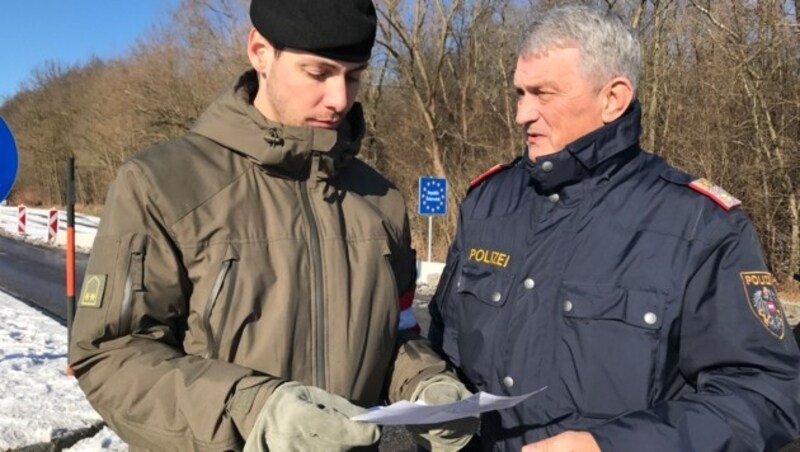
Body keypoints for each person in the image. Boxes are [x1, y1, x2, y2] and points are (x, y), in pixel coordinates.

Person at [68, 0, 477, 450]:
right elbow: (110, 354)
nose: (340, 98)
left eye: (355, 75)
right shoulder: (161, 184)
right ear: (260, 51)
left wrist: (426, 384)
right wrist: (252, 409)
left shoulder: (381, 200)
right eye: (318, 73)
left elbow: (397, 332)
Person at [428, 4, 800, 451]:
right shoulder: (488, 202)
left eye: (543, 94)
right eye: (519, 93)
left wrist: (612, 446)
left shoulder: (698, 224)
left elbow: (766, 393)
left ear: (613, 98)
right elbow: (441, 349)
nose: (522, 114)